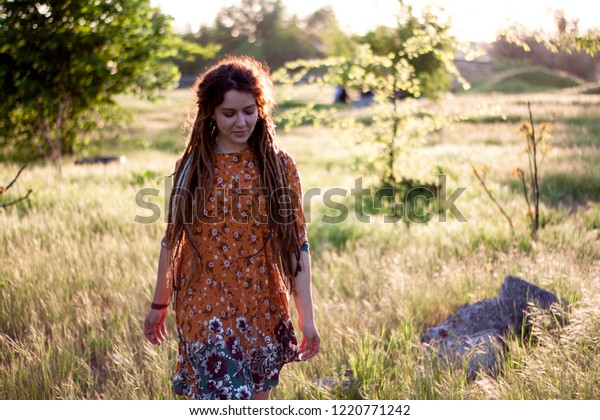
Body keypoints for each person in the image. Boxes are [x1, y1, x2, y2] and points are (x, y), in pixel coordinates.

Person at [143, 56, 320, 400]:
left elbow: (297, 247)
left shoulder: (278, 166)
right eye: (229, 113)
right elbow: (172, 241)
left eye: (249, 111)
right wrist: (158, 305)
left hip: (261, 306)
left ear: (261, 109)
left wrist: (307, 319)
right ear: (210, 113)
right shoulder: (193, 166)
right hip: (204, 308)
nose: (241, 122)